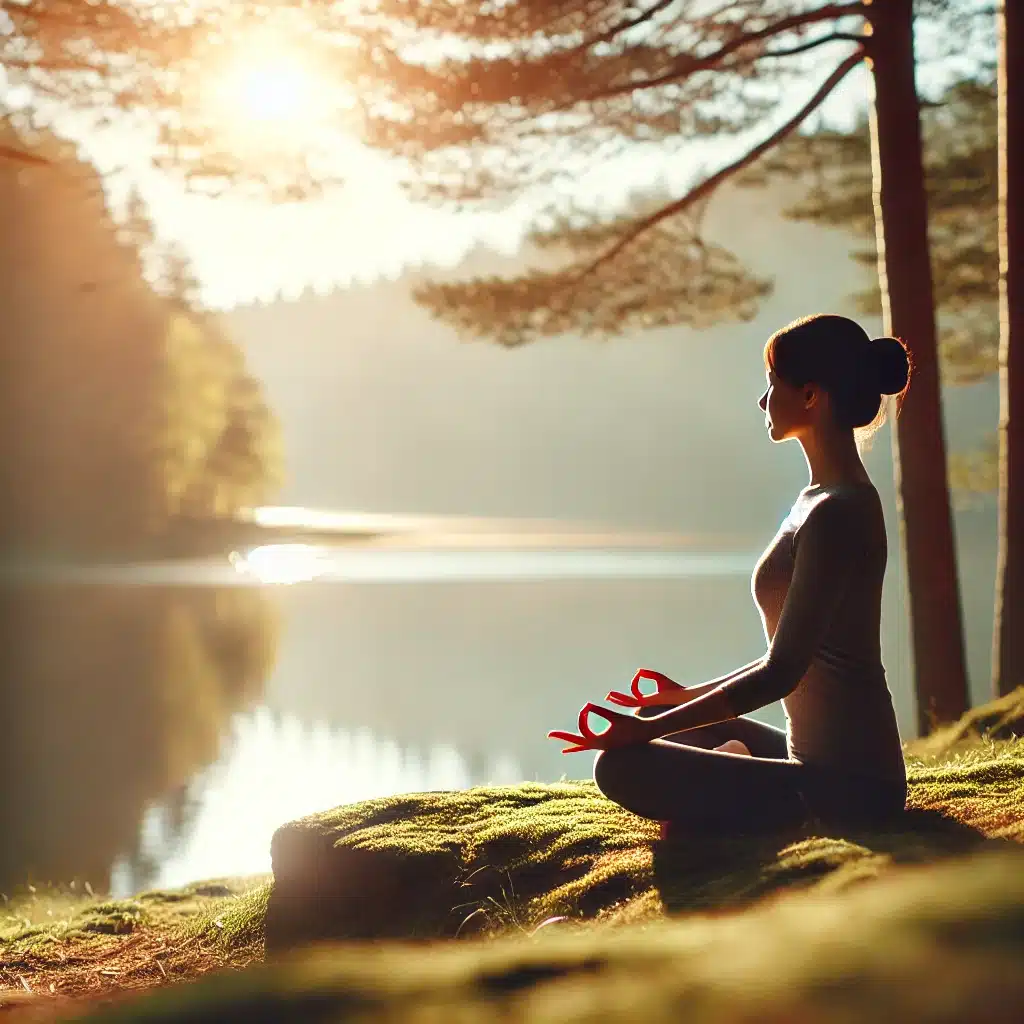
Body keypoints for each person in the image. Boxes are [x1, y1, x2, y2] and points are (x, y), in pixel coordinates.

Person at [548, 313, 911, 836]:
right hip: (806, 760)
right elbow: (789, 654)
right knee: (687, 739)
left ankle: (742, 808)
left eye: (771, 385)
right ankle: (741, 787)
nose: (762, 401)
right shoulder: (817, 499)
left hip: (854, 787)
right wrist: (685, 695)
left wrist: (648, 726)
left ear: (811, 396)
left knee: (624, 764)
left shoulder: (841, 510)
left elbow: (782, 673)